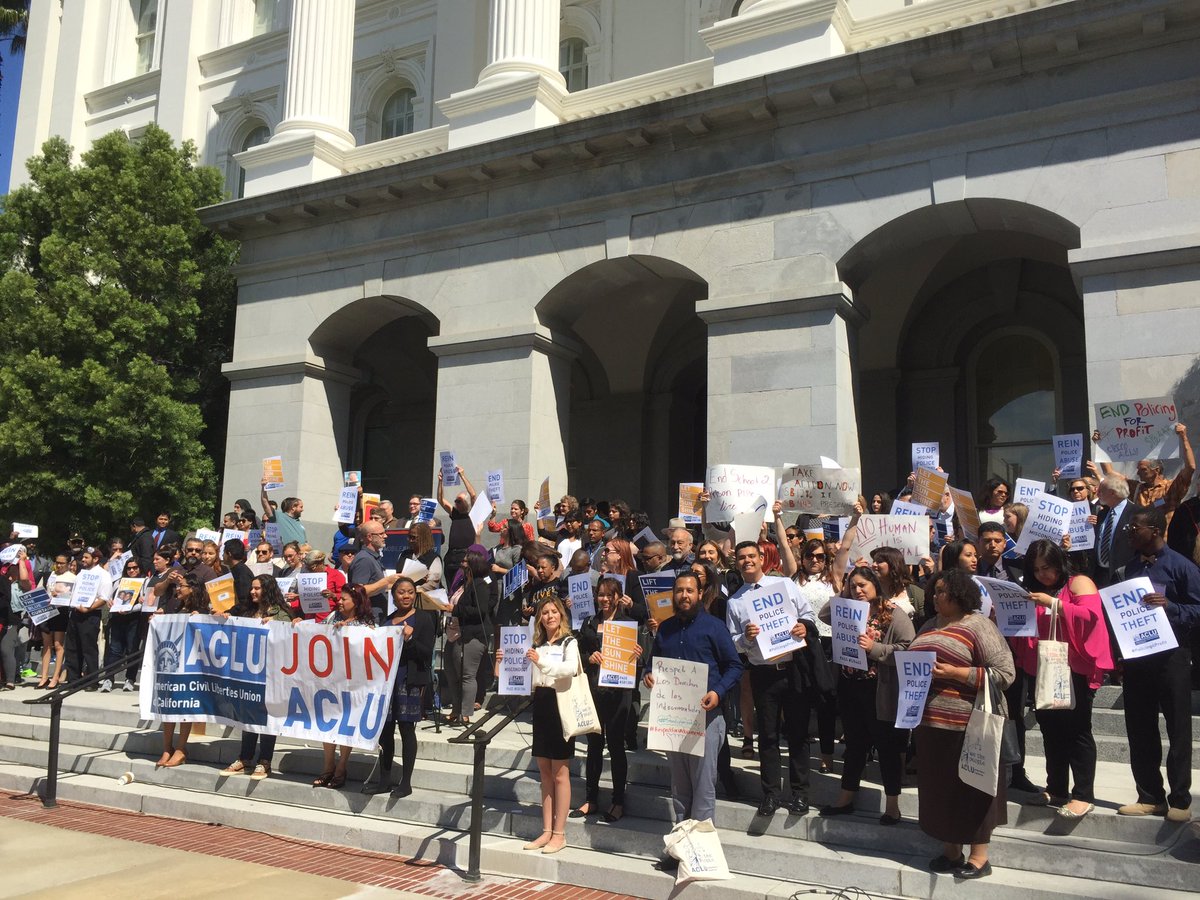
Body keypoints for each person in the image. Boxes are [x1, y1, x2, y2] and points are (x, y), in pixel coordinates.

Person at [909, 570, 1015, 880]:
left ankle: (980, 857)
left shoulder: (978, 625)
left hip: (970, 723)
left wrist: (957, 673)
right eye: (934, 591)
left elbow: (1005, 674)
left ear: (959, 594)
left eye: (942, 591)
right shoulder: (928, 625)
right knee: (940, 788)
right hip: (930, 723)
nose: (935, 596)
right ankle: (951, 851)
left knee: (973, 789)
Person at [646, 572, 742, 870]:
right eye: (679, 591)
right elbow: (653, 665)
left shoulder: (714, 627)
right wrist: (648, 677)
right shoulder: (665, 629)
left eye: (689, 590)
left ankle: (700, 854)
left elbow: (735, 665)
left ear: (700, 594)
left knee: (703, 789)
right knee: (680, 790)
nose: (684, 596)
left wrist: (718, 691)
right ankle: (678, 850)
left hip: (707, 717)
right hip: (673, 719)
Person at [1014, 540, 1113, 818]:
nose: (1042, 574)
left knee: (1077, 729)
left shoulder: (1078, 583)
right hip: (1043, 668)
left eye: (1047, 567)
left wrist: (1055, 604)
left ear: (1059, 562)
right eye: (1036, 569)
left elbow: (1091, 616)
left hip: (1074, 668)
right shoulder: (1035, 590)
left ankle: (1083, 794)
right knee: (1050, 730)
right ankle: (1056, 787)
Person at [1115, 506, 1200, 822]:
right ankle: (1149, 796)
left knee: (1178, 727)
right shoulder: (1129, 570)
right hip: (1138, 659)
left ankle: (1179, 799)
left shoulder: (1181, 567)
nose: (1129, 533)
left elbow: (1198, 608)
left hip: (1172, 658)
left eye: (1134, 528)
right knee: (1139, 727)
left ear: (1154, 530)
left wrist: (1172, 608)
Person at [725, 540, 816, 816]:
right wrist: (746, 637)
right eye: (742, 558)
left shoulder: (785, 586)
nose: (747, 561)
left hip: (792, 669)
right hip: (763, 674)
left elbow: (809, 615)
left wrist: (803, 627)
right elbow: (733, 643)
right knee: (768, 735)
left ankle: (800, 794)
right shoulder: (735, 601)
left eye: (752, 556)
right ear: (737, 563)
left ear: (762, 557)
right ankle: (771, 795)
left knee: (798, 735)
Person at [819, 565, 913, 824]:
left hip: (879, 689)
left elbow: (908, 647)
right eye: (853, 585)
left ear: (875, 585)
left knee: (887, 747)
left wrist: (875, 648)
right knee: (855, 744)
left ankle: (893, 805)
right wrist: (842, 593)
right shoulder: (846, 610)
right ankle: (846, 798)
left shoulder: (893, 614)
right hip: (850, 686)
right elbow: (823, 613)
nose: (857, 590)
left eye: (863, 585)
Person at [520, 596, 583, 855]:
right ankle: (546, 830)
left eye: (553, 611)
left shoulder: (570, 642)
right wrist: (503, 662)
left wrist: (540, 661)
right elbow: (526, 677)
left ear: (561, 615)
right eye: (544, 612)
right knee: (544, 771)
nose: (549, 616)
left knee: (560, 772)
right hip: (542, 705)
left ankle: (560, 833)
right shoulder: (537, 644)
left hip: (561, 707)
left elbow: (569, 668)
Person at [575, 576, 640, 822]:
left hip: (618, 693)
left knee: (615, 746)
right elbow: (578, 652)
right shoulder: (590, 622)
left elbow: (639, 663)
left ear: (617, 597)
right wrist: (588, 656)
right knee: (593, 745)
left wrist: (637, 655)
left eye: (608, 595)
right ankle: (591, 798)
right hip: (594, 690)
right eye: (600, 594)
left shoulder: (628, 623)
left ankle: (618, 801)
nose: (604, 599)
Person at [221, 574, 296, 780]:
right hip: (248, 674)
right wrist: (228, 619)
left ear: (268, 590)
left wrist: (276, 623)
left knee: (267, 718)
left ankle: (265, 761)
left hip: (271, 675)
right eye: (252, 588)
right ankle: (244, 758)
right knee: (248, 716)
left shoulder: (282, 613)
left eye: (257, 589)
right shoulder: (248, 611)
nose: (253, 592)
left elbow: (289, 633)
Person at [370, 576, 435, 796]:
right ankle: (384, 780)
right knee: (385, 731)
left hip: (410, 681)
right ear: (394, 596)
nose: (406, 596)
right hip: (386, 682)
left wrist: (410, 639)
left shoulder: (424, 618)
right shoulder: (387, 621)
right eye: (401, 592)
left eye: (409, 592)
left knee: (406, 729)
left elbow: (427, 654)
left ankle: (405, 783)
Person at [313, 585, 375, 789]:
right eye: (339, 598)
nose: (339, 602)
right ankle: (327, 766)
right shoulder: (332, 617)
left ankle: (341, 767)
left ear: (356, 602)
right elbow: (313, 633)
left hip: (353, 684)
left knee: (346, 724)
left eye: (344, 599)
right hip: (330, 681)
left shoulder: (366, 625)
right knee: (328, 724)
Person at [154, 570, 209, 768]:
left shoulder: (202, 610)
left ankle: (180, 748)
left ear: (192, 589)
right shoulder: (174, 604)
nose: (178, 589)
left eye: (182, 586)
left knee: (184, 707)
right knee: (169, 708)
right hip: (171, 667)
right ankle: (167, 747)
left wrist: (201, 619)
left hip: (190, 668)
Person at [1095, 423, 1195, 525]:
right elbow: (1109, 472)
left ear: (1156, 470)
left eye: (1143, 470)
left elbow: (1190, 467)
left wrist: (1184, 438)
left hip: (1166, 539)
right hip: (1140, 539)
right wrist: (1100, 444)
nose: (1138, 473)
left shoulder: (1171, 488)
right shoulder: (1136, 488)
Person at [448, 550, 495, 726]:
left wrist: (455, 610)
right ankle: (456, 708)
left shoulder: (480, 584)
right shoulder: (464, 583)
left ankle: (466, 712)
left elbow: (480, 610)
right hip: (456, 633)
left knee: (467, 674)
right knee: (452, 673)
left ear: (474, 564)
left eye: (466, 562)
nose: (462, 564)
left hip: (473, 635)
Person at [64, 547, 113, 689]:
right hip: (75, 612)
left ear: (95, 559)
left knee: (89, 647)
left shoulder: (103, 575)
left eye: (86, 557)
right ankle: (73, 679)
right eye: (83, 557)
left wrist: (89, 608)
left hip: (90, 614)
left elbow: (104, 597)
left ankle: (91, 681)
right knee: (72, 646)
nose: (83, 560)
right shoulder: (81, 574)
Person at [99, 556, 145, 692]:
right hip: (118, 618)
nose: (132, 570)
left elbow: (144, 604)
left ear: (140, 568)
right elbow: (110, 598)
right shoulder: (119, 582)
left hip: (134, 619)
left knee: (132, 650)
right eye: (129, 568)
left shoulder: (144, 582)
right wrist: (111, 602)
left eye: (135, 568)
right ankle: (108, 678)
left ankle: (130, 679)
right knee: (114, 650)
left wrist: (131, 609)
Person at [346, 520, 399, 623]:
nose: (385, 536)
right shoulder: (364, 560)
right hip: (369, 619)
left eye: (385, 533)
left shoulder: (373, 557)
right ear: (369, 537)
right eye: (381, 534)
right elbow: (358, 592)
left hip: (378, 616)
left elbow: (375, 585)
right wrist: (386, 581)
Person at [437, 466, 481, 575]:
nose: (455, 502)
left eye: (458, 501)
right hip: (451, 555)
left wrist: (462, 475)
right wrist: (440, 482)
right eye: (455, 500)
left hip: (465, 554)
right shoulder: (455, 514)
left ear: (466, 502)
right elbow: (440, 500)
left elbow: (473, 495)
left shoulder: (473, 514)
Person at [1094, 473, 1137, 587]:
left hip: (1125, 576)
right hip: (1100, 576)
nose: (1097, 494)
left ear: (1112, 493)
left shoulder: (1136, 514)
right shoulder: (1102, 514)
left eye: (1101, 491)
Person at [37, 553, 71, 688]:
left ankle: (55, 677)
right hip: (48, 610)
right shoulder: (52, 575)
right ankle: (44, 676)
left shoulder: (71, 577)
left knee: (58, 645)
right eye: (57, 562)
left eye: (62, 563)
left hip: (61, 611)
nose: (59, 565)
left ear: (68, 564)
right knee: (46, 644)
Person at [261, 479, 306, 546]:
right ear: (293, 507)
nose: (302, 510)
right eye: (301, 507)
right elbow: (265, 503)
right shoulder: (278, 516)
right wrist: (263, 487)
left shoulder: (298, 521)